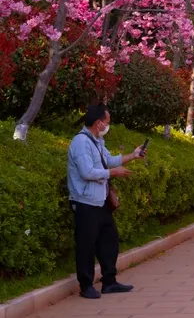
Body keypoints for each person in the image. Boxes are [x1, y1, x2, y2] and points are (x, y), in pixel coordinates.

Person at [67, 104, 145, 299]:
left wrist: (133, 156)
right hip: (86, 202)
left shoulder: (97, 141)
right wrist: (112, 173)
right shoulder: (80, 143)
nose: (108, 125)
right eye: (107, 122)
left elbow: (108, 160)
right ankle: (86, 286)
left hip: (100, 201)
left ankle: (109, 282)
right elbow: (87, 172)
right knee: (86, 246)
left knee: (109, 241)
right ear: (98, 123)